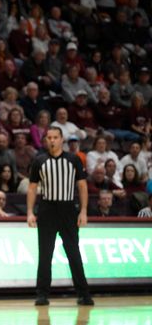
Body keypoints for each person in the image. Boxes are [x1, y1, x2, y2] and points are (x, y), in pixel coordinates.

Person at [27, 127, 93, 306]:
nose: (52, 140)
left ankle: (84, 293)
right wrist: (30, 212)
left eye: (55, 137)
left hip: (68, 209)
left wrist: (84, 211)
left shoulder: (73, 159)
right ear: (45, 140)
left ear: (62, 139)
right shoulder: (39, 161)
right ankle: (42, 294)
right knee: (45, 254)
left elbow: (82, 186)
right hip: (47, 209)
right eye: (49, 137)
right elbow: (32, 188)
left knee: (73, 252)